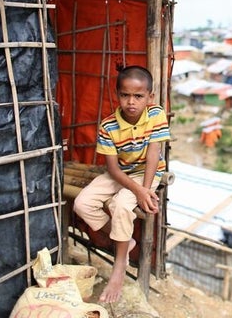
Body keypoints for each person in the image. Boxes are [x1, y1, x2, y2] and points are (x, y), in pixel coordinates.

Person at [73, 65, 170, 303]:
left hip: (147, 174)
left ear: (150, 97)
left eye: (138, 96)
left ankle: (118, 265)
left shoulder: (156, 115)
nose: (131, 102)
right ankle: (124, 241)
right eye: (125, 95)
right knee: (81, 204)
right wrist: (136, 190)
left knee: (122, 206)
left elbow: (153, 155)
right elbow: (113, 169)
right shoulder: (109, 126)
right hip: (121, 174)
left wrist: (143, 190)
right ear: (117, 95)